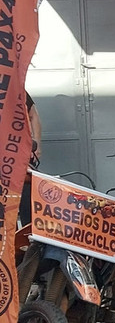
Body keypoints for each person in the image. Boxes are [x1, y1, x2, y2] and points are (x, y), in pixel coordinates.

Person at [19, 92, 42, 227]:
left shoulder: (13, 86)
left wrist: (37, 144)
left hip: (22, 155)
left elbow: (33, 115)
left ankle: (29, 237)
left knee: (28, 199)